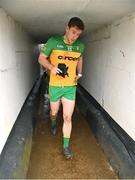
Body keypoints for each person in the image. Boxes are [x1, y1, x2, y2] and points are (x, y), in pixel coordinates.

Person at [38, 17, 85, 159]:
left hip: (70, 87)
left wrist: (80, 73)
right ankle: (52, 122)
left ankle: (66, 146)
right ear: (67, 28)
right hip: (55, 86)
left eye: (78, 34)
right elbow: (41, 58)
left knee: (67, 117)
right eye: (73, 32)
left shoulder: (80, 46)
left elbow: (80, 58)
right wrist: (51, 67)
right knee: (54, 111)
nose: (75, 37)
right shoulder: (53, 41)